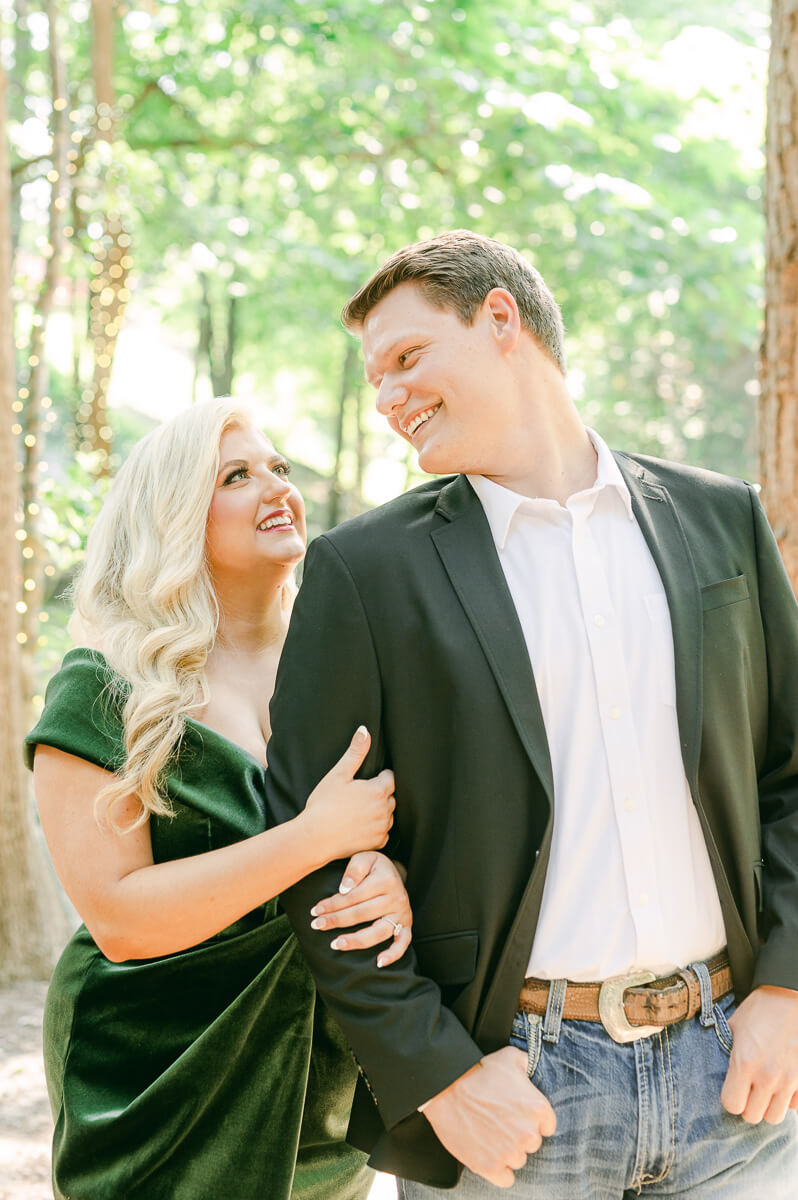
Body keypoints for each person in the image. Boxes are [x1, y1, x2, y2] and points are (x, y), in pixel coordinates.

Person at [262, 229, 798, 1197]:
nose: (386, 398)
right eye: (375, 377)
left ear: (501, 318)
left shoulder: (720, 517)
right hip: (512, 1100)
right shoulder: (365, 572)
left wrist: (790, 986)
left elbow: (791, 775)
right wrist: (441, 1074)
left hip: (740, 1086)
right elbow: (312, 858)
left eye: (407, 358)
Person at [25, 396, 414, 1200]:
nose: (276, 487)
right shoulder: (106, 693)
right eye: (237, 475)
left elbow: (419, 845)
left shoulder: (354, 674)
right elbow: (122, 919)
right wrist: (311, 839)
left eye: (280, 467)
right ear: (173, 518)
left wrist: (397, 885)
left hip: (321, 1080)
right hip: (158, 1078)